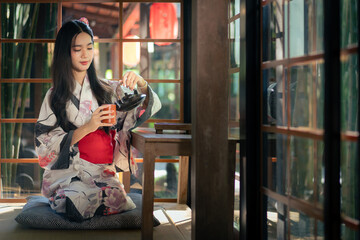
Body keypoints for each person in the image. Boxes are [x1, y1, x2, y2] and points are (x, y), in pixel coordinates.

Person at [35, 18, 161, 222]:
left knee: (117, 197)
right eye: (77, 49)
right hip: (69, 173)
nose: (85, 55)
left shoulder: (108, 89)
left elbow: (145, 107)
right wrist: (89, 126)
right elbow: (45, 146)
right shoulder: (54, 96)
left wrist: (142, 84)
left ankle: (82, 201)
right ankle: (70, 199)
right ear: (65, 53)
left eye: (89, 47)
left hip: (101, 171)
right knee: (75, 198)